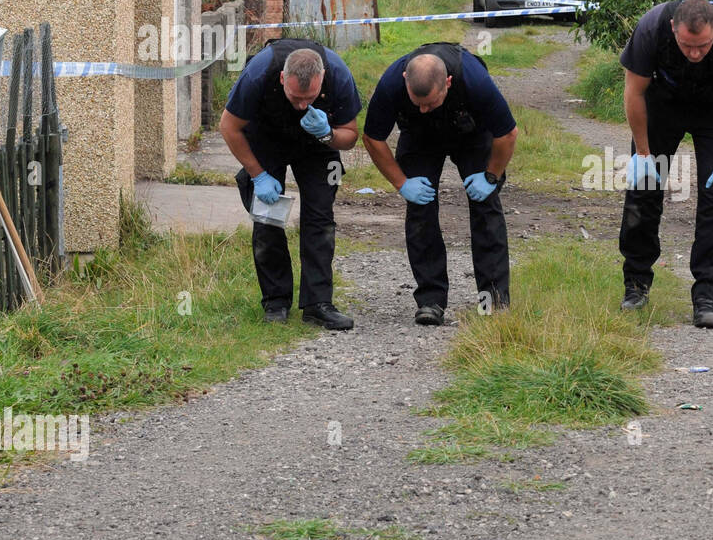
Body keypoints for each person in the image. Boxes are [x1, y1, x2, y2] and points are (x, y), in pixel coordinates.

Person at [618, 0, 713, 328]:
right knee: (644, 190)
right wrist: (643, 154)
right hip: (662, 105)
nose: (695, 53)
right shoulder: (652, 27)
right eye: (686, 45)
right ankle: (636, 285)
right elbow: (634, 93)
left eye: (702, 46)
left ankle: (707, 296)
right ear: (674, 29)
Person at [361, 42, 517, 326]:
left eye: (430, 103)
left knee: (485, 207)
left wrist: (491, 177)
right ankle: (431, 300)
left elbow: (507, 134)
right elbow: (372, 138)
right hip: (419, 139)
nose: (423, 109)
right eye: (417, 102)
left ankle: (493, 301)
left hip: (470, 133)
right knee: (420, 209)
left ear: (448, 82)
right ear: (406, 80)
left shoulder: (473, 78)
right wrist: (401, 182)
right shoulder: (391, 83)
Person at [219, 38, 361, 329]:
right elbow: (228, 127)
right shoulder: (258, 73)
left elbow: (350, 136)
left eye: (310, 98)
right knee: (267, 219)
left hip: (318, 145)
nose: (302, 105)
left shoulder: (339, 75)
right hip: (266, 140)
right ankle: (275, 302)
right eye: (295, 97)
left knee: (320, 219)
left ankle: (318, 304)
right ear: (283, 78)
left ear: (322, 79)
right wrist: (258, 175)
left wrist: (327, 134)